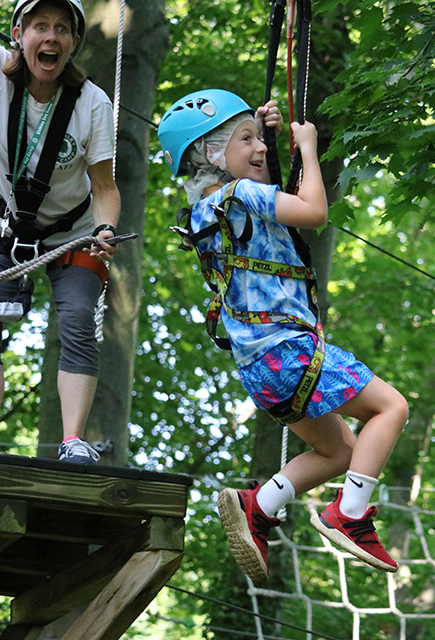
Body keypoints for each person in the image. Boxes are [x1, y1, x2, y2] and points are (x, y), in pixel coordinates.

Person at [157, 89, 409, 581]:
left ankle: (259, 505)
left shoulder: (210, 210)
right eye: (244, 139)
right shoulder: (241, 195)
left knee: (341, 452)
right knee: (391, 407)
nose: (257, 148)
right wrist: (308, 148)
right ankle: (350, 515)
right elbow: (312, 212)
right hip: (289, 351)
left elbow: (268, 197)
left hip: (261, 370)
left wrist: (265, 137)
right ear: (212, 154)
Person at [0, 0, 121, 463]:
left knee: (78, 317)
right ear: (18, 32)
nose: (50, 37)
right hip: (0, 223)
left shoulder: (93, 104)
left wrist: (105, 229)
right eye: (40, 26)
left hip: (72, 232)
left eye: (61, 28)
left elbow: (104, 186)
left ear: (74, 42)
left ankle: (73, 442)